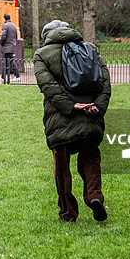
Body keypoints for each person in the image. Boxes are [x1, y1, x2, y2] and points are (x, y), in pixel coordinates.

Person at [33, 19, 111, 223]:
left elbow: (47, 86)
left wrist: (70, 106)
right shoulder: (90, 48)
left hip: (61, 116)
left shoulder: (42, 54)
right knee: (91, 159)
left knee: (61, 166)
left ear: (47, 36)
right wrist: (98, 107)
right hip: (90, 115)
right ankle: (94, 196)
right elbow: (105, 83)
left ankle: (68, 212)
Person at [0, 13, 21, 83]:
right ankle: (3, 76)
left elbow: (3, 36)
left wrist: (1, 43)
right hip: (12, 45)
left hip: (7, 46)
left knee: (10, 61)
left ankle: (17, 76)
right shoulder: (14, 25)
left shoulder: (5, 25)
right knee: (7, 61)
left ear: (4, 18)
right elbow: (16, 36)